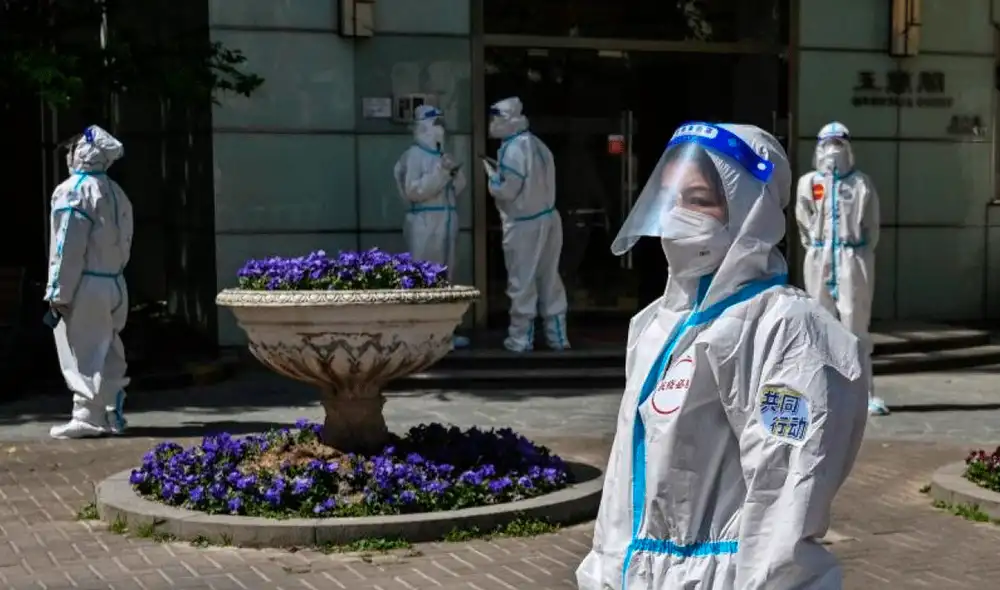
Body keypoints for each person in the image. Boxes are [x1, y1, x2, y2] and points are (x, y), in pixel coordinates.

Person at [576, 123, 868, 589]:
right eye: (669, 197)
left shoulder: (788, 330)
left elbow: (785, 499)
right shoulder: (656, 326)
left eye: (697, 199)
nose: (676, 215)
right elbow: (624, 486)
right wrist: (605, 572)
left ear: (750, 206)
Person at [45, 125, 134, 439]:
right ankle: (111, 406)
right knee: (108, 346)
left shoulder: (74, 190)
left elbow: (68, 245)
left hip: (87, 283)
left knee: (83, 349)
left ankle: (87, 415)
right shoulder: (115, 192)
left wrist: (58, 290)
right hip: (114, 282)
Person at [795, 122, 883, 415]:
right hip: (819, 257)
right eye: (827, 144)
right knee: (819, 324)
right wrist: (817, 247)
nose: (833, 150)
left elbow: (872, 227)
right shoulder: (808, 183)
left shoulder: (861, 183)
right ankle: (820, 391)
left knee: (855, 326)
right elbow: (803, 222)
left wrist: (855, 252)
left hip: (852, 258)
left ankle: (864, 394)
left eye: (838, 144)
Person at [485, 96, 570, 352]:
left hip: (524, 224)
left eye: (496, 118)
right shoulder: (537, 145)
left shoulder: (513, 149)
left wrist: (492, 180)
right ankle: (558, 337)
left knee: (522, 282)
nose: (492, 123)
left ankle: (520, 339)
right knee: (549, 279)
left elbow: (508, 190)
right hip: (548, 219)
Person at [394, 105, 470, 349]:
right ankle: (419, 334)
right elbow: (414, 191)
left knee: (444, 278)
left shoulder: (439, 154)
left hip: (446, 220)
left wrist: (454, 174)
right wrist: (441, 173)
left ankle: (443, 332)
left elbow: (456, 189)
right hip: (424, 222)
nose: (440, 128)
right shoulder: (414, 155)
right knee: (421, 277)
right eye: (435, 123)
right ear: (423, 126)